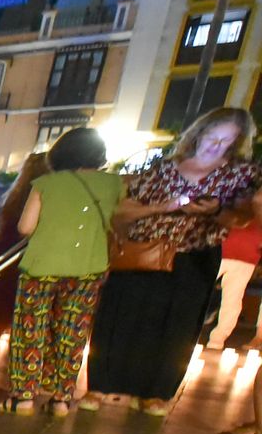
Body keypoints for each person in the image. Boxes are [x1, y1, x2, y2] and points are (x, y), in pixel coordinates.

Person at [85, 108, 261, 415]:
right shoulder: (164, 167)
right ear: (199, 133)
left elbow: (242, 218)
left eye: (226, 141)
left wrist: (214, 211)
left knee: (176, 326)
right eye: (212, 137)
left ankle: (156, 392)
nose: (216, 146)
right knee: (121, 315)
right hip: (144, 249)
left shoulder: (239, 175)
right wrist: (160, 208)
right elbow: (123, 208)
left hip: (194, 255)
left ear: (236, 143)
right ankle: (101, 384)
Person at [0, 129, 120, 416]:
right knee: (72, 332)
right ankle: (61, 399)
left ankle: (24, 397)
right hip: (88, 268)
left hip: (42, 266)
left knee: (31, 330)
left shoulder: (46, 183)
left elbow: (26, 227)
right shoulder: (114, 184)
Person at [0, 152, 48, 372]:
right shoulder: (44, 195)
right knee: (24, 313)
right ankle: (22, 364)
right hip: (28, 258)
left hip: (2, 256)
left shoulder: (13, 199)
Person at [207, 215, 261, 350]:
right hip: (244, 251)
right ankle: (216, 340)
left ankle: (216, 339)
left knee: (231, 300)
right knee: (232, 299)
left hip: (240, 251)